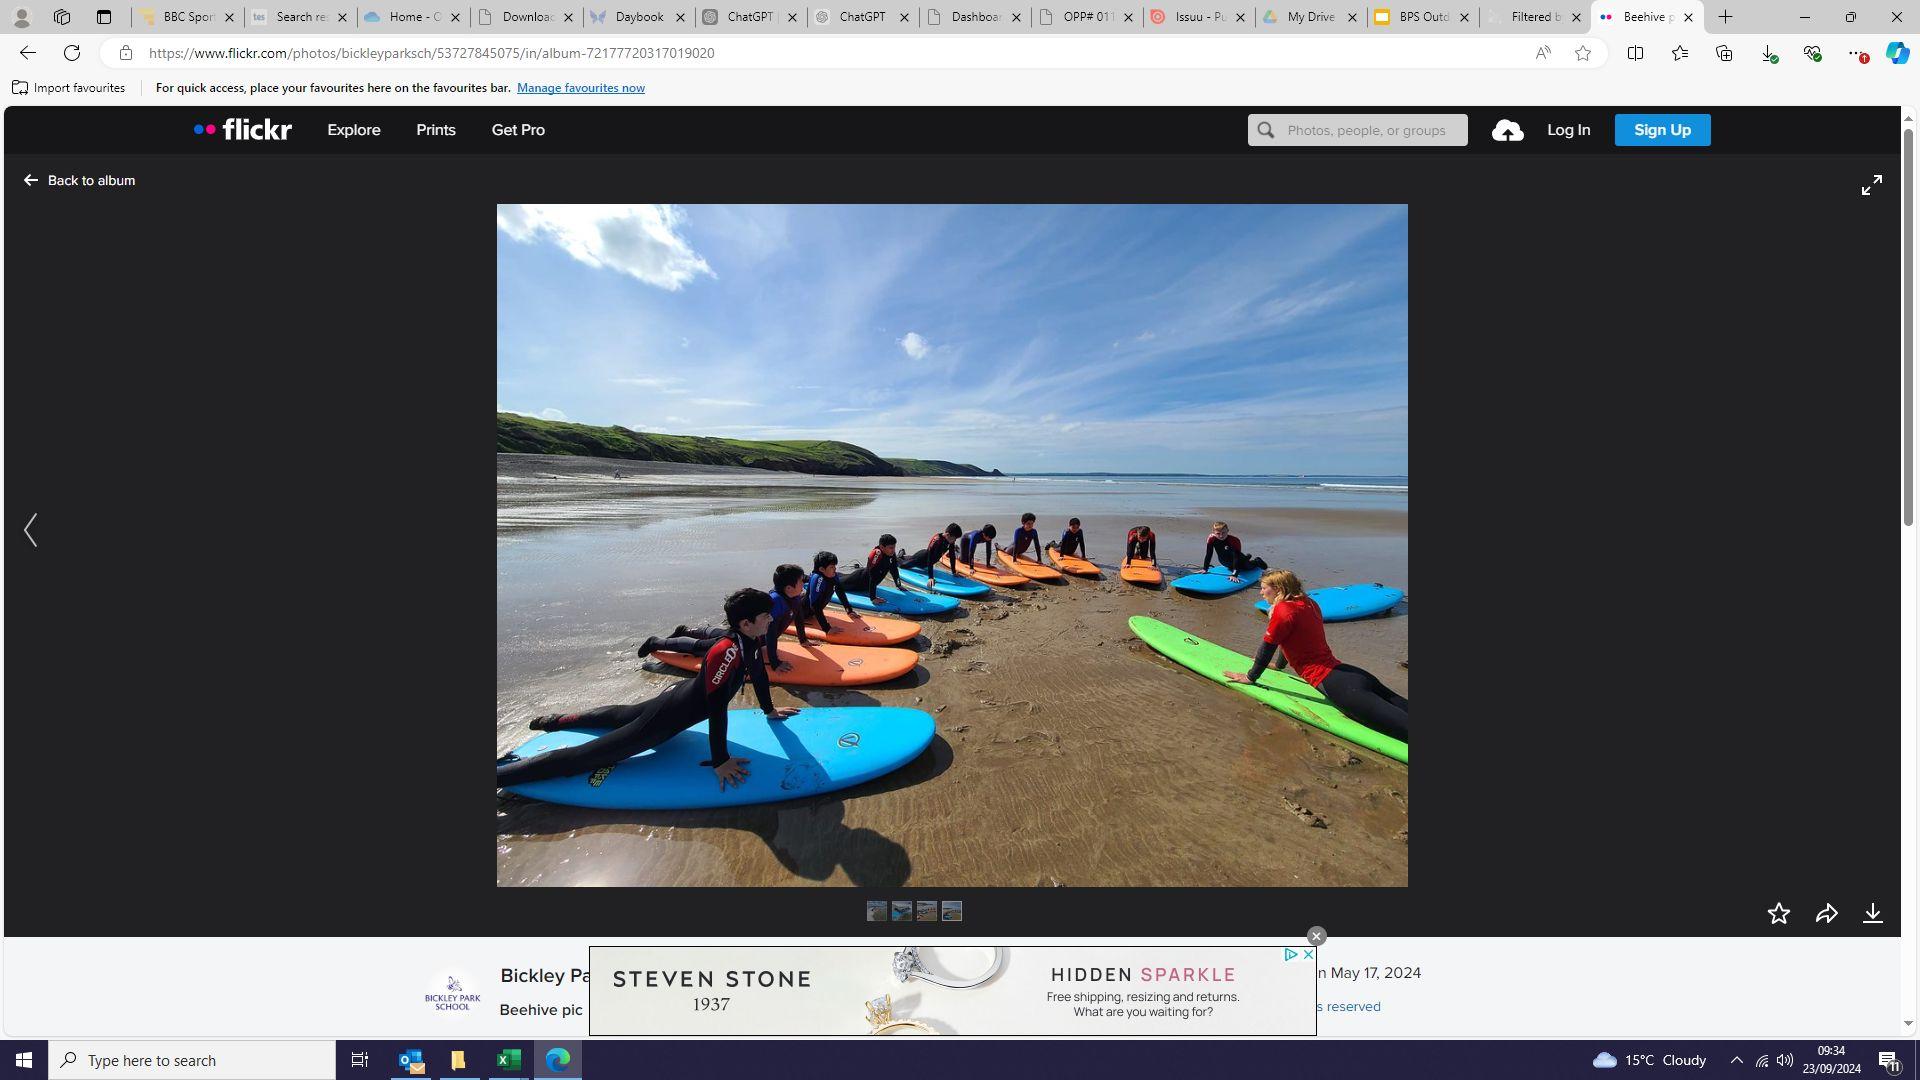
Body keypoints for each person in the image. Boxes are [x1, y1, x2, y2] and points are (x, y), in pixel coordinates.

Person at [497, 588, 801, 791]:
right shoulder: (728, 651)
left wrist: (769, 710)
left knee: (621, 715)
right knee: (586, 757)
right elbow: (717, 708)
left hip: (676, 698)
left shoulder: (748, 641)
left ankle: (553, 721)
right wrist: (720, 760)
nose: (771, 618)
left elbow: (759, 674)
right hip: (667, 718)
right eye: (766, 615)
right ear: (746, 623)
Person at [1226, 570, 1407, 744]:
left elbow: (1268, 646)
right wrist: (1279, 666)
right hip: (1350, 673)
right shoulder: (1309, 603)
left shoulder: (1282, 611)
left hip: (1339, 685)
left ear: (1278, 589)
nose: (1261, 592)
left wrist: (1250, 677)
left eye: (1264, 588)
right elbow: (1288, 639)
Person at [806, 550, 874, 626]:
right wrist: (827, 628)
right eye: (832, 567)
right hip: (803, 614)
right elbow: (814, 605)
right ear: (822, 569)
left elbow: (840, 590)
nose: (835, 569)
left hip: (814, 613)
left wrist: (849, 610)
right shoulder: (818, 578)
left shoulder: (833, 575)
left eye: (835, 566)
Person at [1201, 520, 1268, 582]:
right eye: (1218, 533)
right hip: (1224, 561)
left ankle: (1257, 561)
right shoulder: (1211, 538)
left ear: (1227, 531)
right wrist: (1205, 568)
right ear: (1213, 532)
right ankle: (1247, 557)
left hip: (1238, 559)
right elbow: (1209, 554)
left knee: (1247, 567)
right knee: (1230, 567)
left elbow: (1236, 557)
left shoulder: (1233, 540)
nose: (1221, 536)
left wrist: (1234, 574)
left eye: (1223, 533)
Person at [900, 523, 965, 579]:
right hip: (921, 559)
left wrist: (954, 572)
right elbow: (930, 558)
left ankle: (903, 554)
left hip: (927, 563)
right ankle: (900, 554)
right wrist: (930, 577)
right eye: (954, 538)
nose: (955, 540)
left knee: (908, 558)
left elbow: (952, 556)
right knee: (902, 565)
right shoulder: (937, 540)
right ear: (948, 535)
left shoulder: (950, 541)